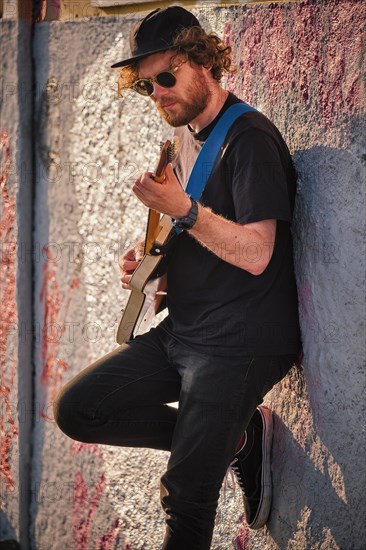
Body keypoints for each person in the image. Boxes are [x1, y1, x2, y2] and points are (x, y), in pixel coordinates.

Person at [54, 6, 301, 549]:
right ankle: (231, 440)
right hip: (185, 331)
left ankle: (211, 445)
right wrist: (152, 273)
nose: (159, 93)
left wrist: (184, 209)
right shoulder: (186, 136)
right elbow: (204, 239)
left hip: (240, 340)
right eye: (147, 87)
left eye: (167, 77)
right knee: (78, 410)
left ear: (204, 62)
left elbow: (258, 254)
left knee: (186, 491)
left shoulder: (250, 140)